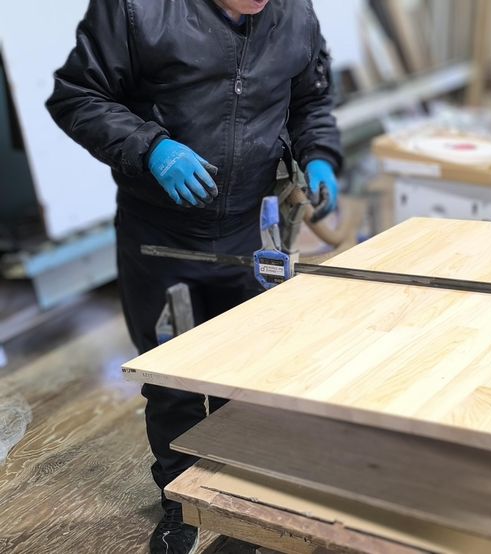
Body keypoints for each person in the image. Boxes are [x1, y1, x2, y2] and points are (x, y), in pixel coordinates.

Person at [46, 0, 342, 551]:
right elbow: (78, 96)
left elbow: (310, 100)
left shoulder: (294, 15)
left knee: (245, 378)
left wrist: (319, 152)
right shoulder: (136, 9)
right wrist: (150, 147)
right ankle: (181, 504)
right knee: (173, 381)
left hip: (250, 231)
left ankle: (239, 505)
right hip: (161, 236)